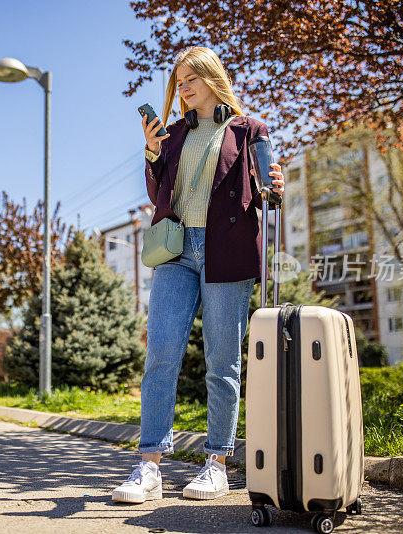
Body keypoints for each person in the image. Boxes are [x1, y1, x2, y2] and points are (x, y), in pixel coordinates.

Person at [112, 46, 285, 503]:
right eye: (179, 81)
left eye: (191, 78)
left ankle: (216, 463)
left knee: (222, 360)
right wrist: (152, 153)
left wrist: (274, 184)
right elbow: (158, 196)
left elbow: (267, 186)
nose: (183, 88)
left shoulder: (248, 130)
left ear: (212, 78)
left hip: (225, 249)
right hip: (177, 250)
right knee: (161, 353)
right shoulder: (170, 135)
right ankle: (149, 466)